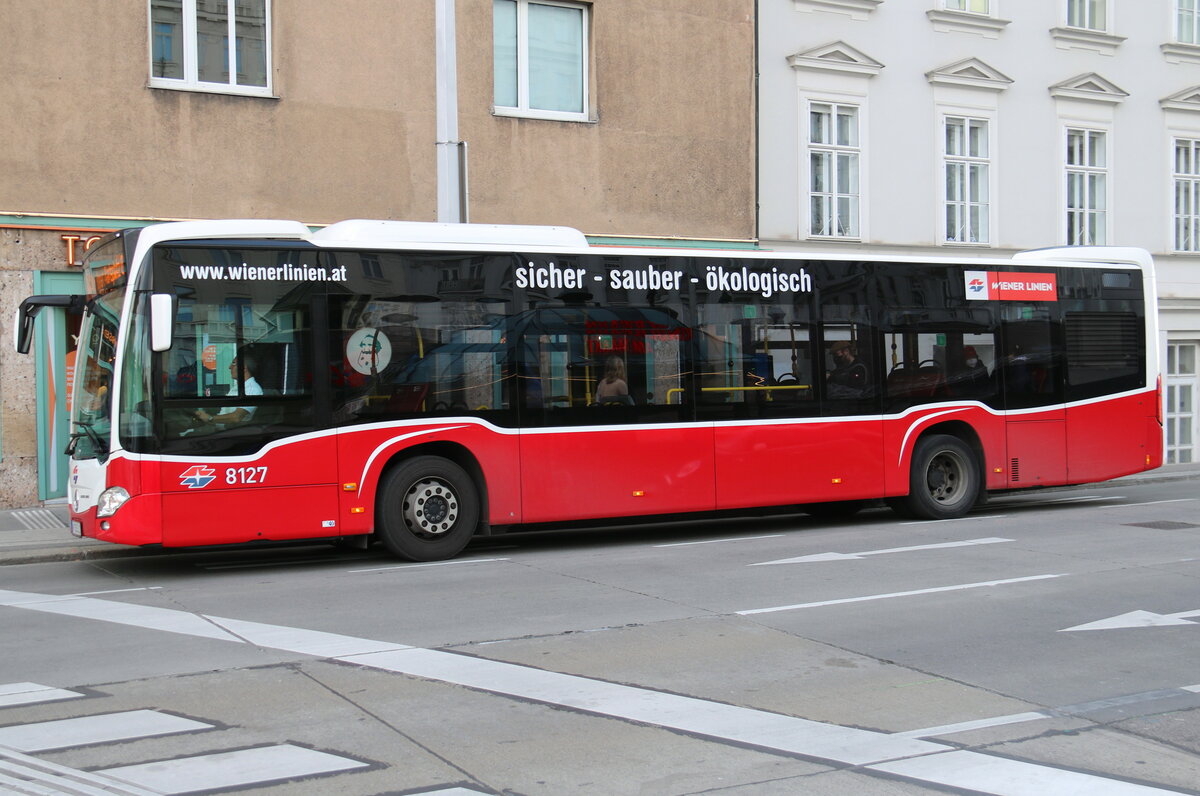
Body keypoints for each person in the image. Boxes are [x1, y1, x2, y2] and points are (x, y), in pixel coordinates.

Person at [195, 349, 263, 426]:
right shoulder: (238, 387)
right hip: (219, 427)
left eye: (233, 363)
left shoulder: (252, 389)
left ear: (243, 368)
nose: (229, 367)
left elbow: (237, 417)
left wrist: (210, 418)